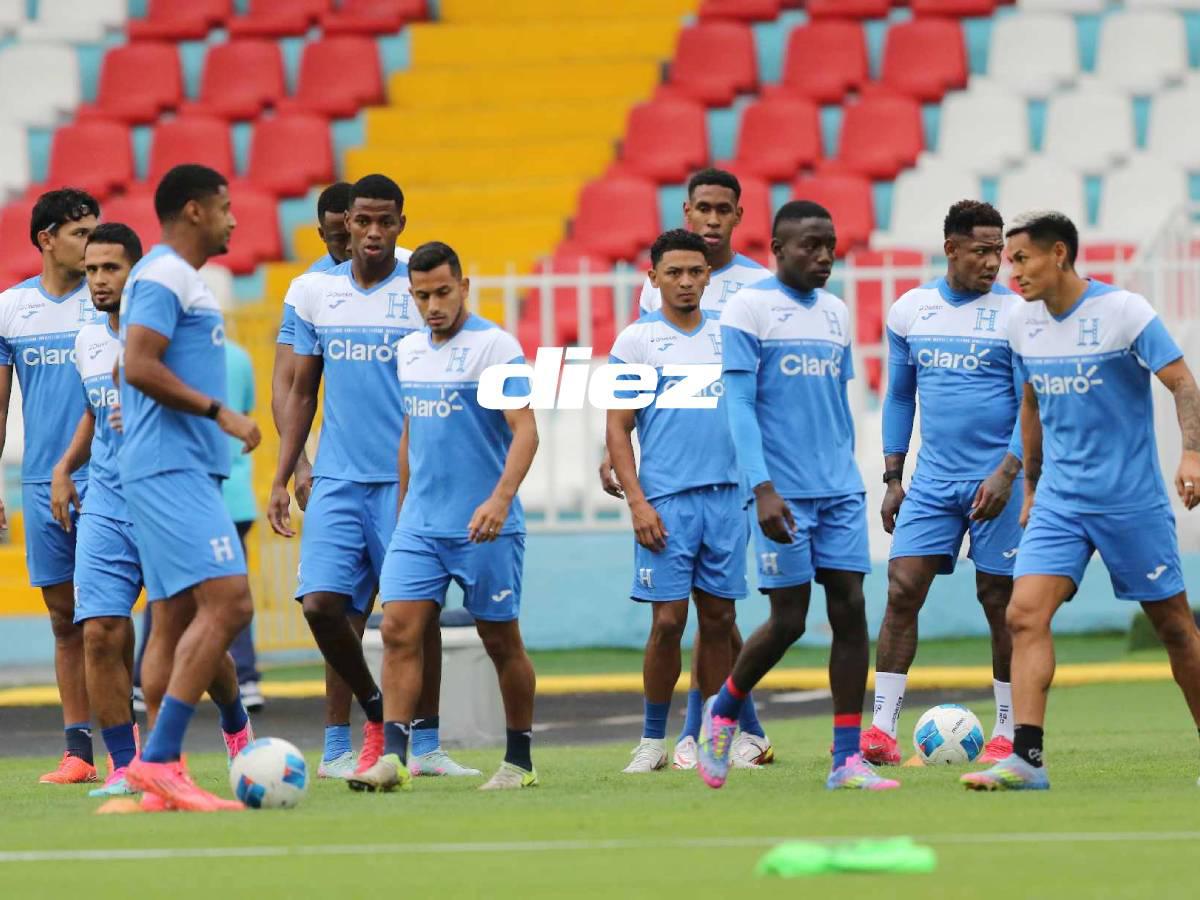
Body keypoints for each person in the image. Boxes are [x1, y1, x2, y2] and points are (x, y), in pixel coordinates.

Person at [964, 211, 1200, 791]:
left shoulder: (1124, 312)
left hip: (1130, 502)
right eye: (1010, 262)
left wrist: (1192, 456)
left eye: (1022, 259)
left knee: (1174, 629)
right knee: (1023, 615)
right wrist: (1032, 488)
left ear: (1060, 254)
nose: (1012, 273)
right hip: (1059, 503)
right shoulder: (1022, 323)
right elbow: (1031, 405)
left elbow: (1183, 383)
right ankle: (1026, 761)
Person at [268, 176, 473, 780]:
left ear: (401, 223)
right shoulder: (315, 292)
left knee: (415, 615)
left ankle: (426, 746)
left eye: (386, 221)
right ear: (346, 224)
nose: (374, 232)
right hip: (337, 479)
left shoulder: (420, 285)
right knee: (323, 607)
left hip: (408, 481)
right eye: (363, 221)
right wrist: (287, 472)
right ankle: (346, 739)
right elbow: (301, 390)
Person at [698, 200, 900, 792]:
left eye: (829, 245)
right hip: (780, 493)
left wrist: (852, 471)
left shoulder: (837, 312)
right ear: (778, 249)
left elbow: (836, 403)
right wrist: (761, 487)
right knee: (788, 620)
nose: (824, 256)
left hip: (838, 489)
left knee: (851, 611)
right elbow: (739, 405)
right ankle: (724, 709)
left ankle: (846, 760)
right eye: (810, 245)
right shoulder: (749, 307)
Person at [347, 241, 539, 794]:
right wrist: (403, 510)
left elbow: (526, 431)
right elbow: (411, 433)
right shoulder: (409, 351)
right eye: (421, 296)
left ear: (464, 288)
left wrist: (500, 499)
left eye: (442, 293)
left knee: (501, 641)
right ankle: (395, 757)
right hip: (419, 526)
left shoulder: (496, 347)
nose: (432, 305)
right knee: (399, 631)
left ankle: (519, 761)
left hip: (485, 526)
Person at [599, 167, 773, 769]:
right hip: (667, 499)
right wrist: (638, 502)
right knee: (669, 621)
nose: (686, 281)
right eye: (673, 272)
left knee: (720, 618)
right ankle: (652, 739)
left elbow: (754, 408)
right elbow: (618, 426)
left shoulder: (731, 335)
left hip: (726, 496)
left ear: (707, 277)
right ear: (653, 279)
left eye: (695, 272)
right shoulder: (636, 341)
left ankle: (709, 736)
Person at [861, 201, 1023, 766]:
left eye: (999, 251)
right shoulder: (911, 310)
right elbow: (899, 396)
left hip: (999, 482)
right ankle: (881, 730)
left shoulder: (1016, 314)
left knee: (1000, 601)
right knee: (902, 588)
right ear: (951, 248)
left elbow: (1033, 407)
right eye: (982, 250)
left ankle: (1007, 729)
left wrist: (1007, 473)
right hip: (932, 481)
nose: (994, 262)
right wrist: (892, 477)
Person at [120, 164, 260, 812]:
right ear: (195, 211)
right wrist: (218, 411)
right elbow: (138, 364)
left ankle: (162, 776)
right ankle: (158, 760)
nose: (234, 219)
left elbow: (139, 364)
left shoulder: (179, 278)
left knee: (173, 620)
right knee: (231, 602)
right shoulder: (165, 273)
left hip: (175, 467)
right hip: (169, 466)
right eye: (225, 207)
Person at [0, 188, 100, 784]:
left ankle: (129, 744)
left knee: (108, 616)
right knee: (64, 621)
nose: (91, 243)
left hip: (106, 478)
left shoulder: (108, 301)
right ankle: (79, 753)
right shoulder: (10, 310)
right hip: (41, 482)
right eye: (80, 232)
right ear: (47, 238)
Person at [48, 223, 142, 797]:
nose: (99, 281)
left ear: (137, 272)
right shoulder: (86, 340)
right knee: (100, 633)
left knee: (191, 639)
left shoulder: (167, 335)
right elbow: (93, 408)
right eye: (91, 270)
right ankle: (125, 767)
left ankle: (236, 729)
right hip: (105, 502)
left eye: (111, 268)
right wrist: (65, 466)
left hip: (164, 501)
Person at [223, 337, 263, 711]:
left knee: (170, 591)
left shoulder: (172, 356)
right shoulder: (239, 356)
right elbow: (243, 414)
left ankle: (144, 680)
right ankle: (246, 676)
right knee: (235, 590)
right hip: (238, 496)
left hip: (199, 493)